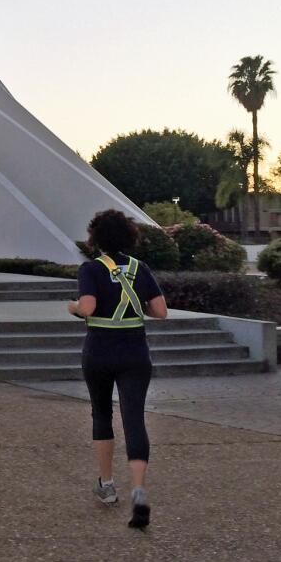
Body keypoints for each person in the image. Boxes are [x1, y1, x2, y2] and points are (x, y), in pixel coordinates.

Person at [67, 210, 168, 528]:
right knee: (134, 419)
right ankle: (138, 490)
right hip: (135, 353)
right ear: (128, 237)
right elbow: (161, 312)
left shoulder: (91, 269)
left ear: (95, 239)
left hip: (99, 352)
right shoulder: (140, 269)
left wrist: (71, 307)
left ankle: (108, 486)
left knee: (101, 415)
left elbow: (88, 308)